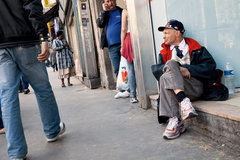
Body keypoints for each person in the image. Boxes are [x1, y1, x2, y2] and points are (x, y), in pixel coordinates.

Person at [0, 1, 65, 159]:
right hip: (26, 40)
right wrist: (43, 37)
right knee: (42, 88)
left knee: (7, 97)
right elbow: (32, 5)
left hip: (1, 46)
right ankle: (52, 130)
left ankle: (16, 152)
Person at [151, 19, 218, 140]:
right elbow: (159, 74)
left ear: (177, 32)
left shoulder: (196, 48)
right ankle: (178, 115)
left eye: (166, 33)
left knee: (170, 66)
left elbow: (210, 67)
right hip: (176, 91)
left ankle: (177, 116)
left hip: (194, 87)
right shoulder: (164, 52)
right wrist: (176, 68)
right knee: (168, 69)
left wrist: (188, 69)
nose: (163, 36)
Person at [96, 0, 130, 99]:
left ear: (115, 1)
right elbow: (99, 24)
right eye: (107, 1)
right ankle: (122, 90)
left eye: (111, 0)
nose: (110, 3)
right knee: (116, 68)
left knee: (127, 67)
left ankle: (130, 89)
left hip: (123, 44)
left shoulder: (121, 11)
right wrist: (103, 11)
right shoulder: (104, 14)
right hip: (111, 47)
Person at [120, 0, 138, 103]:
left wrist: (122, 45)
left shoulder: (125, 11)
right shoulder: (139, 7)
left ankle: (133, 96)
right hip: (141, 37)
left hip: (130, 38)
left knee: (131, 69)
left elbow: (123, 29)